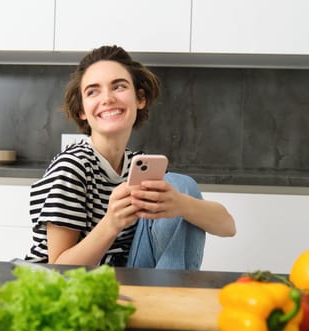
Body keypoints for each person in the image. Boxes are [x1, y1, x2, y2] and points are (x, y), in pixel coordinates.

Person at [25, 45, 236, 269]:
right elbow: (58, 268)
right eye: (93, 91)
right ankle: (169, 296)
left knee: (181, 186)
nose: (107, 98)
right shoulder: (72, 167)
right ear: (82, 111)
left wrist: (180, 205)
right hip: (66, 284)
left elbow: (228, 227)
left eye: (118, 86)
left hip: (125, 278)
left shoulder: (138, 167)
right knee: (178, 185)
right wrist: (111, 224)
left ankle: (168, 292)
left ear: (140, 98)